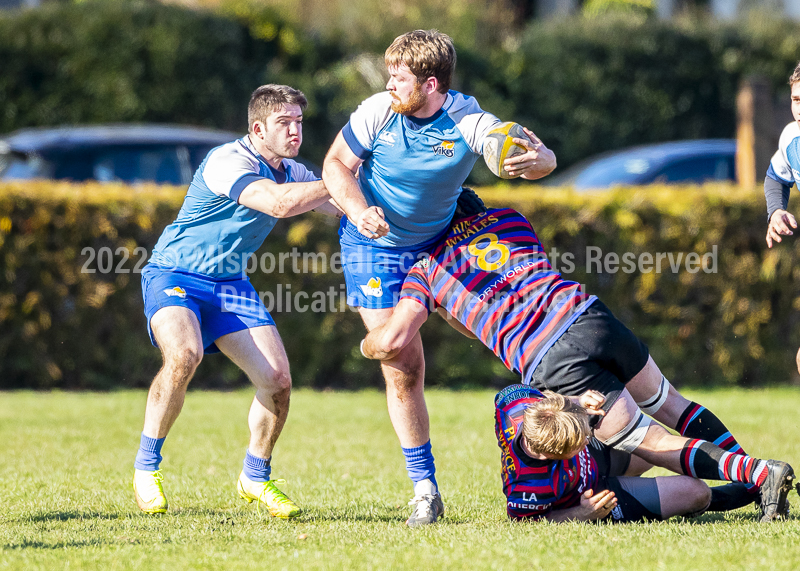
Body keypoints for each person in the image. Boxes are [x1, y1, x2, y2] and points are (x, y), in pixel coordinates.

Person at [360, 205, 795, 522]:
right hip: (589, 315)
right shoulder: (509, 218)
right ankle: (755, 487)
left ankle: (759, 474)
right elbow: (523, 279)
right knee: (672, 404)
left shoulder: (429, 267)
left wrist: (368, 343)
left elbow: (400, 338)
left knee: (646, 441)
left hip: (550, 354)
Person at [321, 29, 557, 526]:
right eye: (389, 75)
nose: (390, 85)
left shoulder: (467, 118)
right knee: (401, 362)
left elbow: (521, 150)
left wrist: (539, 161)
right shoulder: (378, 112)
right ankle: (425, 489)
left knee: (496, 329)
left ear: (431, 84)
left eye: (399, 78)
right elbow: (335, 165)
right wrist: (360, 210)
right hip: (374, 246)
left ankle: (569, 410)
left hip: (441, 244)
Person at [133, 84, 340, 518]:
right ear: (258, 127)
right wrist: (339, 178)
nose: (295, 131)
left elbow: (344, 206)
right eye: (285, 123)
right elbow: (280, 205)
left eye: (299, 122)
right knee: (185, 354)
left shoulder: (293, 171)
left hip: (229, 285)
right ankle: (146, 468)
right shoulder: (228, 160)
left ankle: (255, 476)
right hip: (175, 275)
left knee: (278, 380)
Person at [495, 386, 713, 522]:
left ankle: (741, 476)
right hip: (595, 497)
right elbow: (529, 523)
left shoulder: (513, 403)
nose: (588, 439)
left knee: (662, 445)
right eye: (581, 442)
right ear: (554, 454)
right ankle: (725, 499)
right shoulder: (527, 490)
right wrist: (582, 514)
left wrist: (577, 402)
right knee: (697, 492)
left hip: (598, 458)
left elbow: (548, 403)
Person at [763, 60, 800, 374]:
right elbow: (776, 177)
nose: (799, 110)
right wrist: (776, 211)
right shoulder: (792, 139)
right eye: (796, 100)